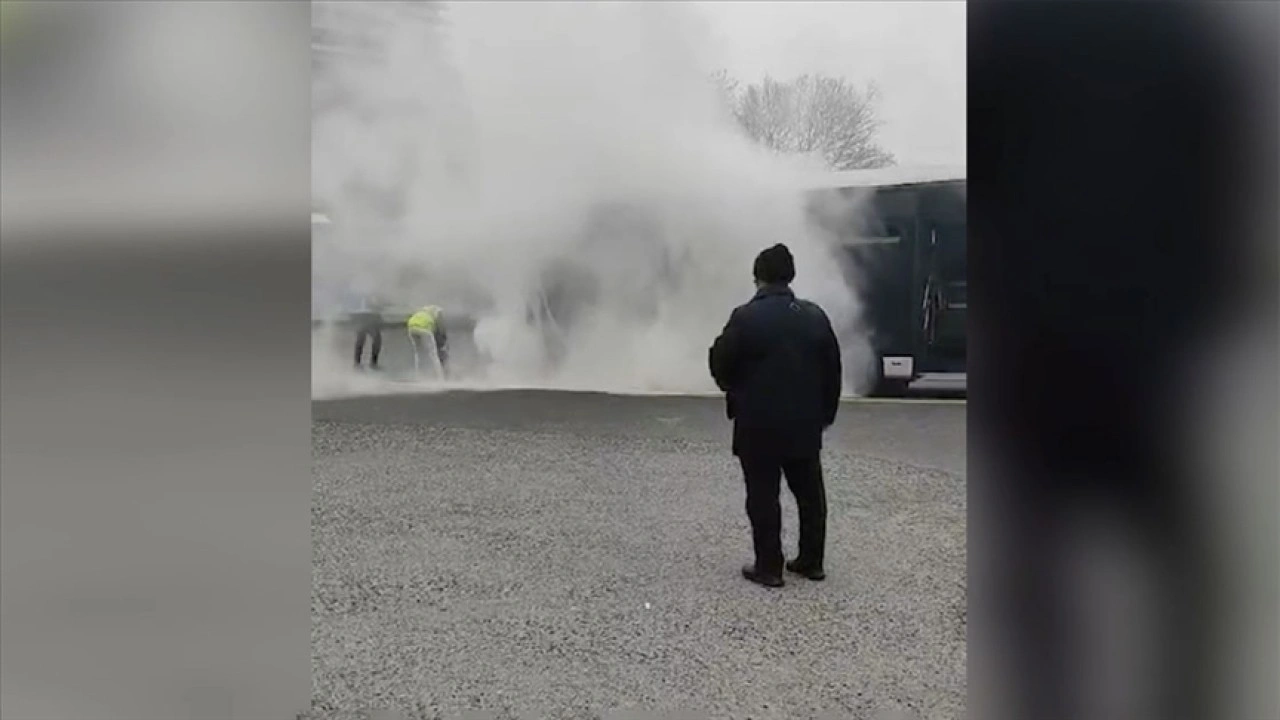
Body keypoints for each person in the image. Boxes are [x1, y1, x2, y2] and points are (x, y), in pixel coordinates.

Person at [708, 243, 843, 588]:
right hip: (804, 423)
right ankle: (812, 561)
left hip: (758, 423)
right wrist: (825, 414)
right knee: (810, 494)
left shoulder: (745, 317)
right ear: (791, 276)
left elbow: (721, 362)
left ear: (758, 277)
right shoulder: (815, 315)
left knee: (763, 495)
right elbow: (833, 371)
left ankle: (769, 567)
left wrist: (733, 389)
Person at [406, 304, 448, 378]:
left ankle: (418, 374)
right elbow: (440, 329)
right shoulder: (438, 311)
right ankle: (440, 376)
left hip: (411, 327)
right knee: (433, 354)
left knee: (418, 353)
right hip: (424, 328)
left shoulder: (422, 311)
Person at [351, 293, 385, 370]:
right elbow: (377, 304)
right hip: (365, 316)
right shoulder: (367, 292)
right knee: (364, 339)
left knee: (370, 339)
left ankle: (365, 363)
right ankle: (362, 363)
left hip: (365, 316)